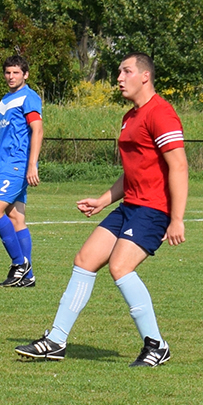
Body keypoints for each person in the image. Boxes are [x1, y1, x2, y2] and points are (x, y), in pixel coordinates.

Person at [15, 52, 188, 367]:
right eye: (119, 72)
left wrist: (176, 219)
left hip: (153, 210)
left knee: (120, 267)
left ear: (145, 76)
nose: (119, 78)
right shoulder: (130, 117)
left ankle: (156, 345)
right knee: (85, 260)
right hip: (129, 206)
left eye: (126, 71)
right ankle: (55, 340)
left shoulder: (161, 113)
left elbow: (178, 166)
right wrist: (103, 199)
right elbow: (134, 171)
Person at [0, 55, 43, 287]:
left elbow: (37, 130)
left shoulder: (29, 97)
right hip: (5, 166)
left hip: (17, 165)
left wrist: (32, 164)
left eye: (16, 72)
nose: (11, 76)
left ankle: (20, 264)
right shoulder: (5, 101)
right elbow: (0, 137)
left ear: (25, 74)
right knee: (16, 218)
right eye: (8, 72)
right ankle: (28, 276)